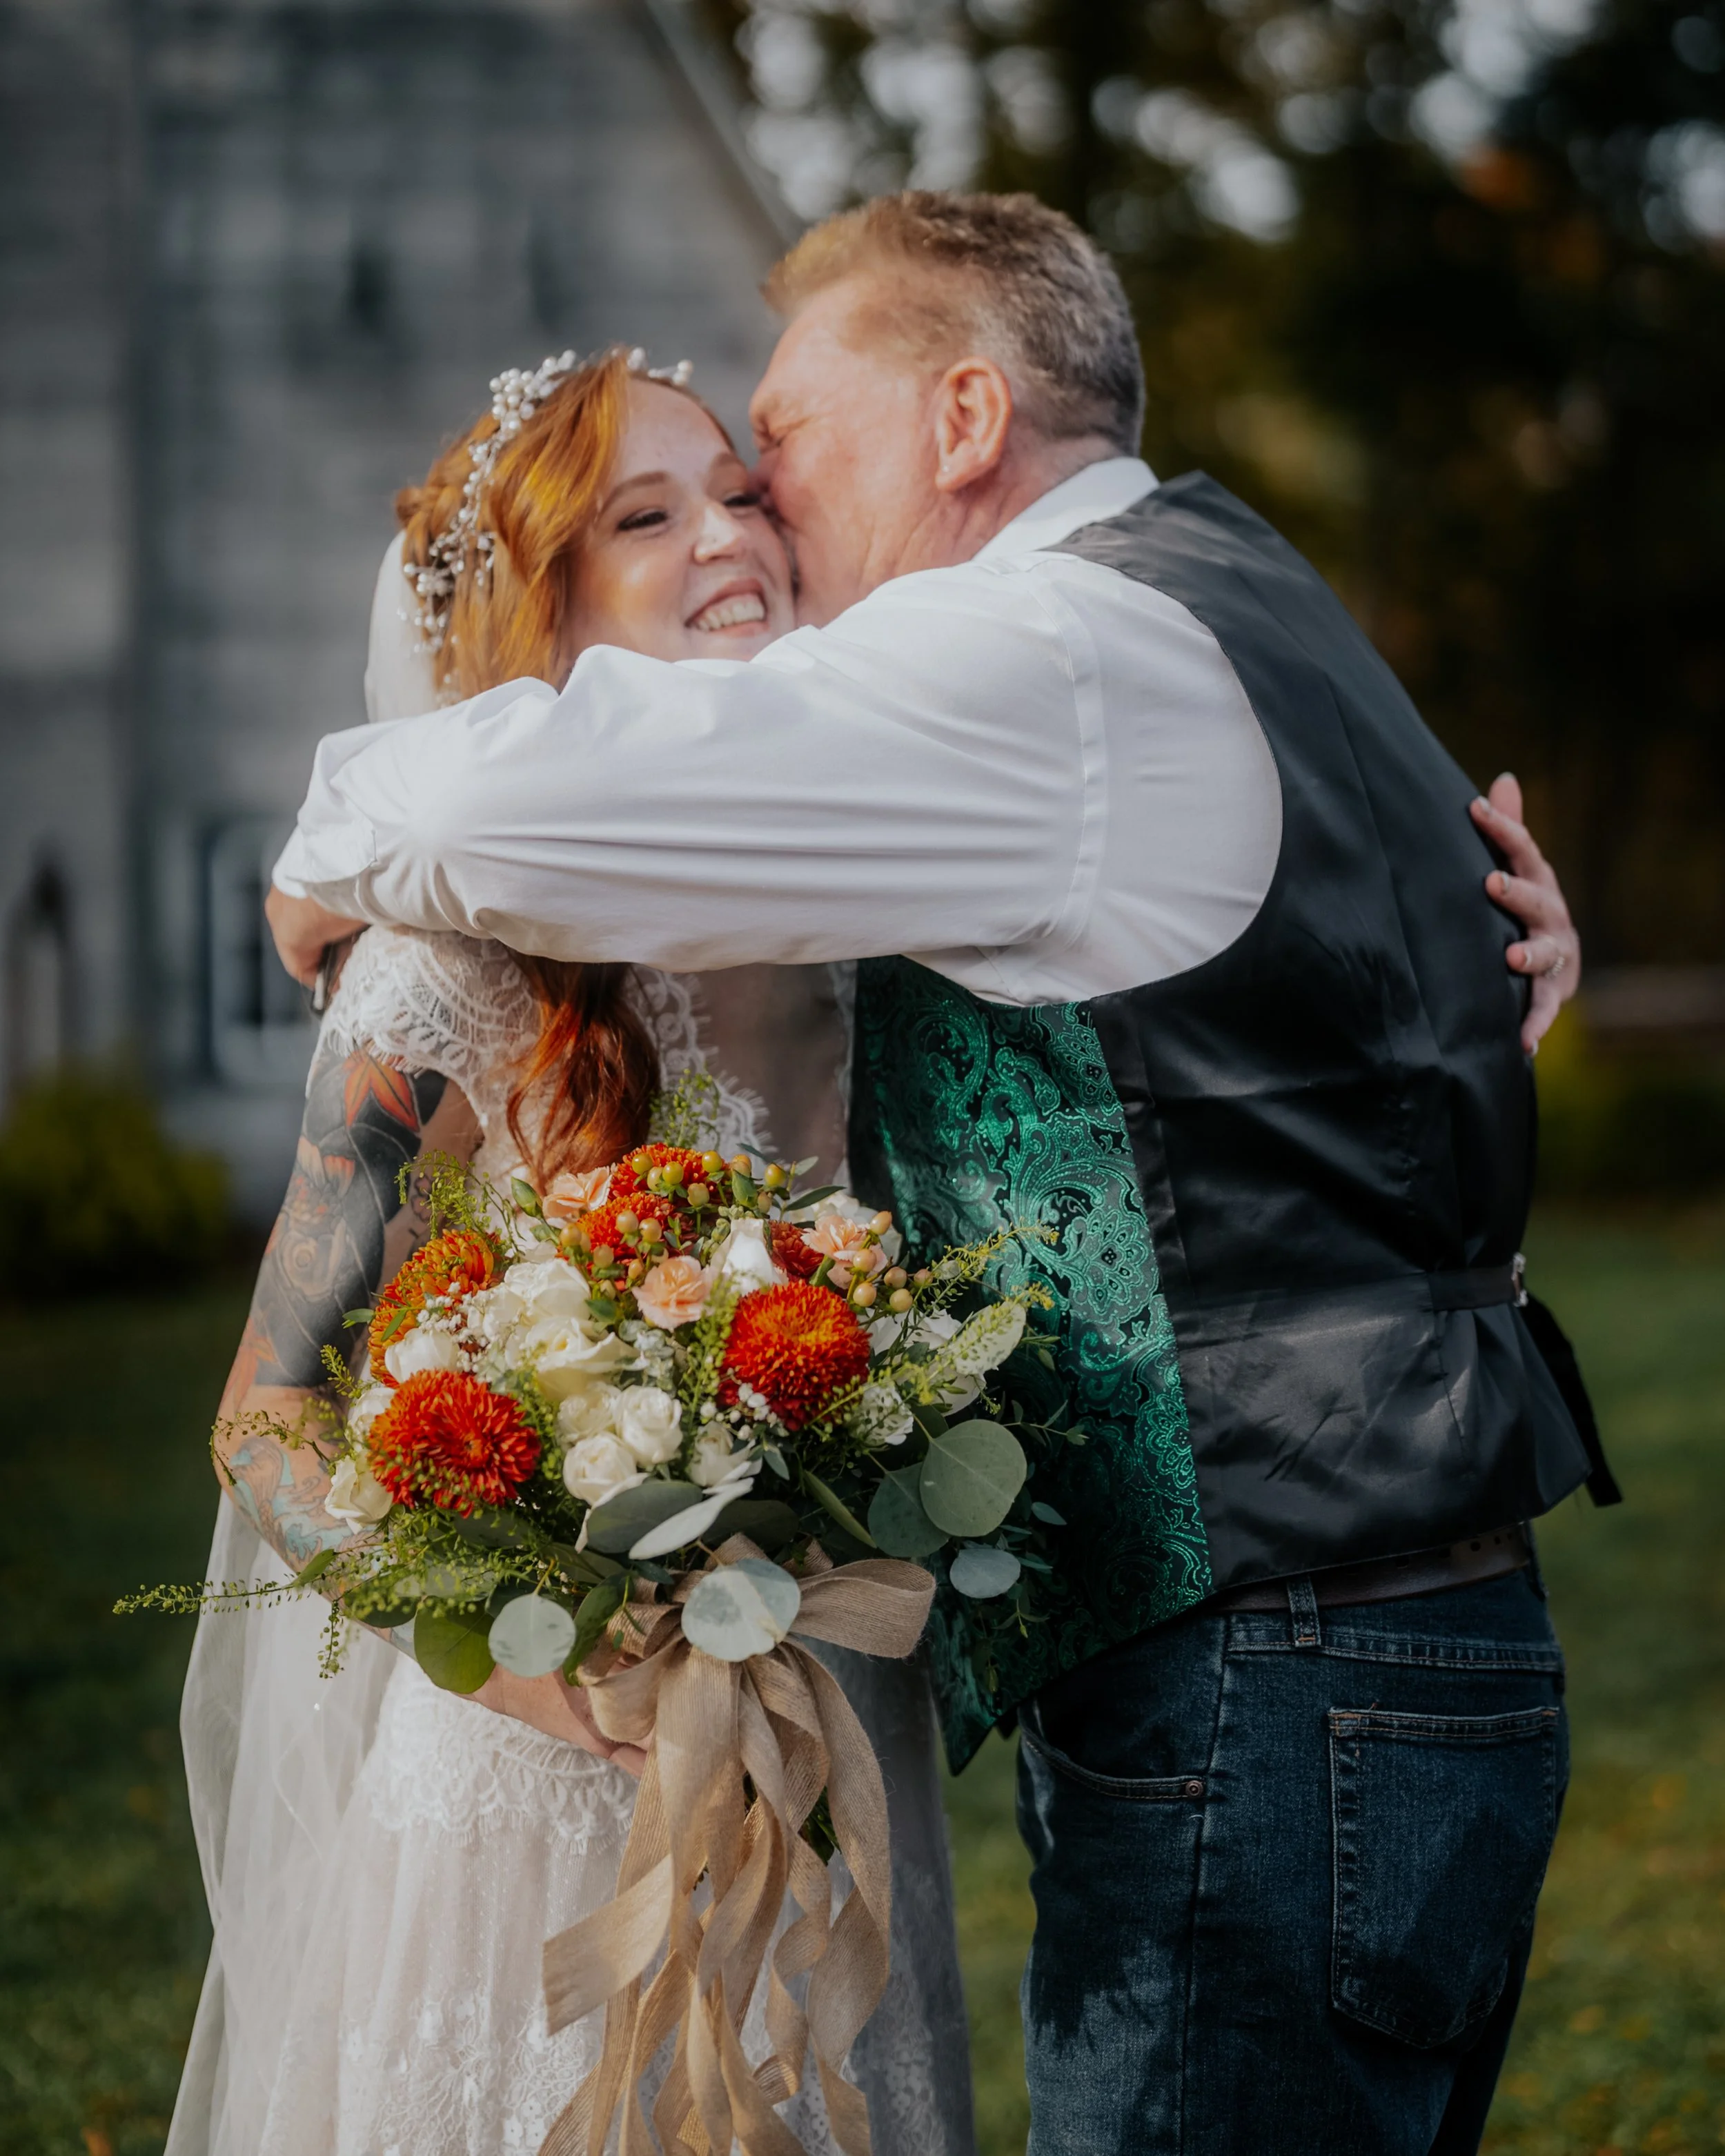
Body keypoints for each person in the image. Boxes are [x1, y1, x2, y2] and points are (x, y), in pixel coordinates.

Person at [267, 191, 1601, 2155]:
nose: (755, 519)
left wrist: (324, 835)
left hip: (1266, 1682)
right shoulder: (1195, 601)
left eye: (775, 448)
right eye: (662, 510)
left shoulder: (1027, 657)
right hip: (1390, 1662)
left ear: (963, 417)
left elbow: (506, 788)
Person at [168, 344, 973, 2156]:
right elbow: (266, 1419)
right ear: (545, 610)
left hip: (818, 1747)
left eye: (740, 492)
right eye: (648, 510)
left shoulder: (898, 917)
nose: (731, 535)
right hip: (529, 1784)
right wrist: (536, 1658)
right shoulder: (449, 960)